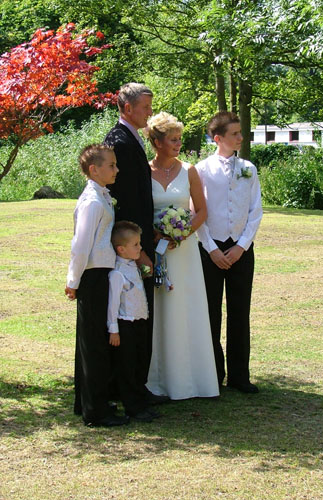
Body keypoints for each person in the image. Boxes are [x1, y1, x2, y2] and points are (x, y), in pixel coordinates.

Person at [144, 111, 219, 400]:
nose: (178, 144)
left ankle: (191, 381)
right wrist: (155, 236)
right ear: (157, 141)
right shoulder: (143, 170)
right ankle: (156, 381)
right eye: (173, 139)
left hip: (183, 252)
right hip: (154, 250)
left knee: (184, 309)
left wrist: (181, 234)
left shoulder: (189, 170)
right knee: (159, 310)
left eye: (179, 139)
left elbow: (201, 211)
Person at [104, 83, 168, 405]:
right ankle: (127, 389)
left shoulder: (132, 138)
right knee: (131, 321)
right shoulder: (121, 142)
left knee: (141, 319)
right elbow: (126, 201)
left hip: (139, 243)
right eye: (145, 107)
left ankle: (136, 386)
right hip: (129, 249)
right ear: (127, 108)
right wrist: (139, 249)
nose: (149, 113)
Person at [195, 111, 263, 394]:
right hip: (210, 250)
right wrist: (211, 249)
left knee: (239, 312)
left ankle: (239, 375)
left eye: (240, 133)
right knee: (210, 313)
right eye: (235, 134)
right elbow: (195, 211)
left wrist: (241, 246)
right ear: (217, 138)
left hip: (240, 250)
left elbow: (255, 211)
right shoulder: (201, 170)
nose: (240, 137)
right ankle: (213, 373)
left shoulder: (249, 168)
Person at [65, 144, 129, 427]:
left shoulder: (102, 196)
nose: (116, 170)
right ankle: (95, 411)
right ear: (94, 169)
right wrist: (73, 280)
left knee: (94, 339)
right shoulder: (92, 201)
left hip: (102, 272)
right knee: (93, 342)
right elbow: (81, 245)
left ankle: (87, 400)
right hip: (92, 275)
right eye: (111, 165)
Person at [107, 221, 160, 422]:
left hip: (139, 321)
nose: (140, 248)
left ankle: (141, 401)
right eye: (136, 245)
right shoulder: (117, 273)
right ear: (121, 249)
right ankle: (132, 406)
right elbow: (113, 304)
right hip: (125, 323)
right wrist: (114, 330)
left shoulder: (133, 266)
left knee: (139, 361)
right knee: (127, 365)